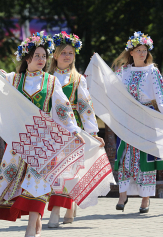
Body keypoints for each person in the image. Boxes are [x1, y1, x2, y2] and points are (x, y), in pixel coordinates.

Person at [0, 31, 85, 237]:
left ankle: (32, 226)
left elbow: (62, 108)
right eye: (37, 56)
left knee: (38, 181)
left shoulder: (51, 81)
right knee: (17, 181)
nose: (42, 60)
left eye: (44, 56)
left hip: (43, 141)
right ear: (27, 58)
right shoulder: (12, 79)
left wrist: (74, 130)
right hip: (19, 140)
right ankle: (37, 221)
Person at [112, 31, 163, 213]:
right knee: (125, 157)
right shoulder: (122, 72)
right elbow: (112, 93)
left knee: (145, 158)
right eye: (139, 50)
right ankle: (122, 195)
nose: (142, 53)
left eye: (145, 50)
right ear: (131, 52)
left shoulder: (152, 71)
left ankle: (145, 199)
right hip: (127, 120)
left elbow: (162, 96)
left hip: (146, 119)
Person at [46, 31, 104, 227]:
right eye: (63, 53)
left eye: (70, 53)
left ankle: (58, 211)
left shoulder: (78, 78)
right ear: (55, 55)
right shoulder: (46, 77)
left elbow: (86, 107)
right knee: (55, 172)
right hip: (51, 130)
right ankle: (68, 209)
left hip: (73, 129)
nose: (67, 56)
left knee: (68, 171)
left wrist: (93, 133)